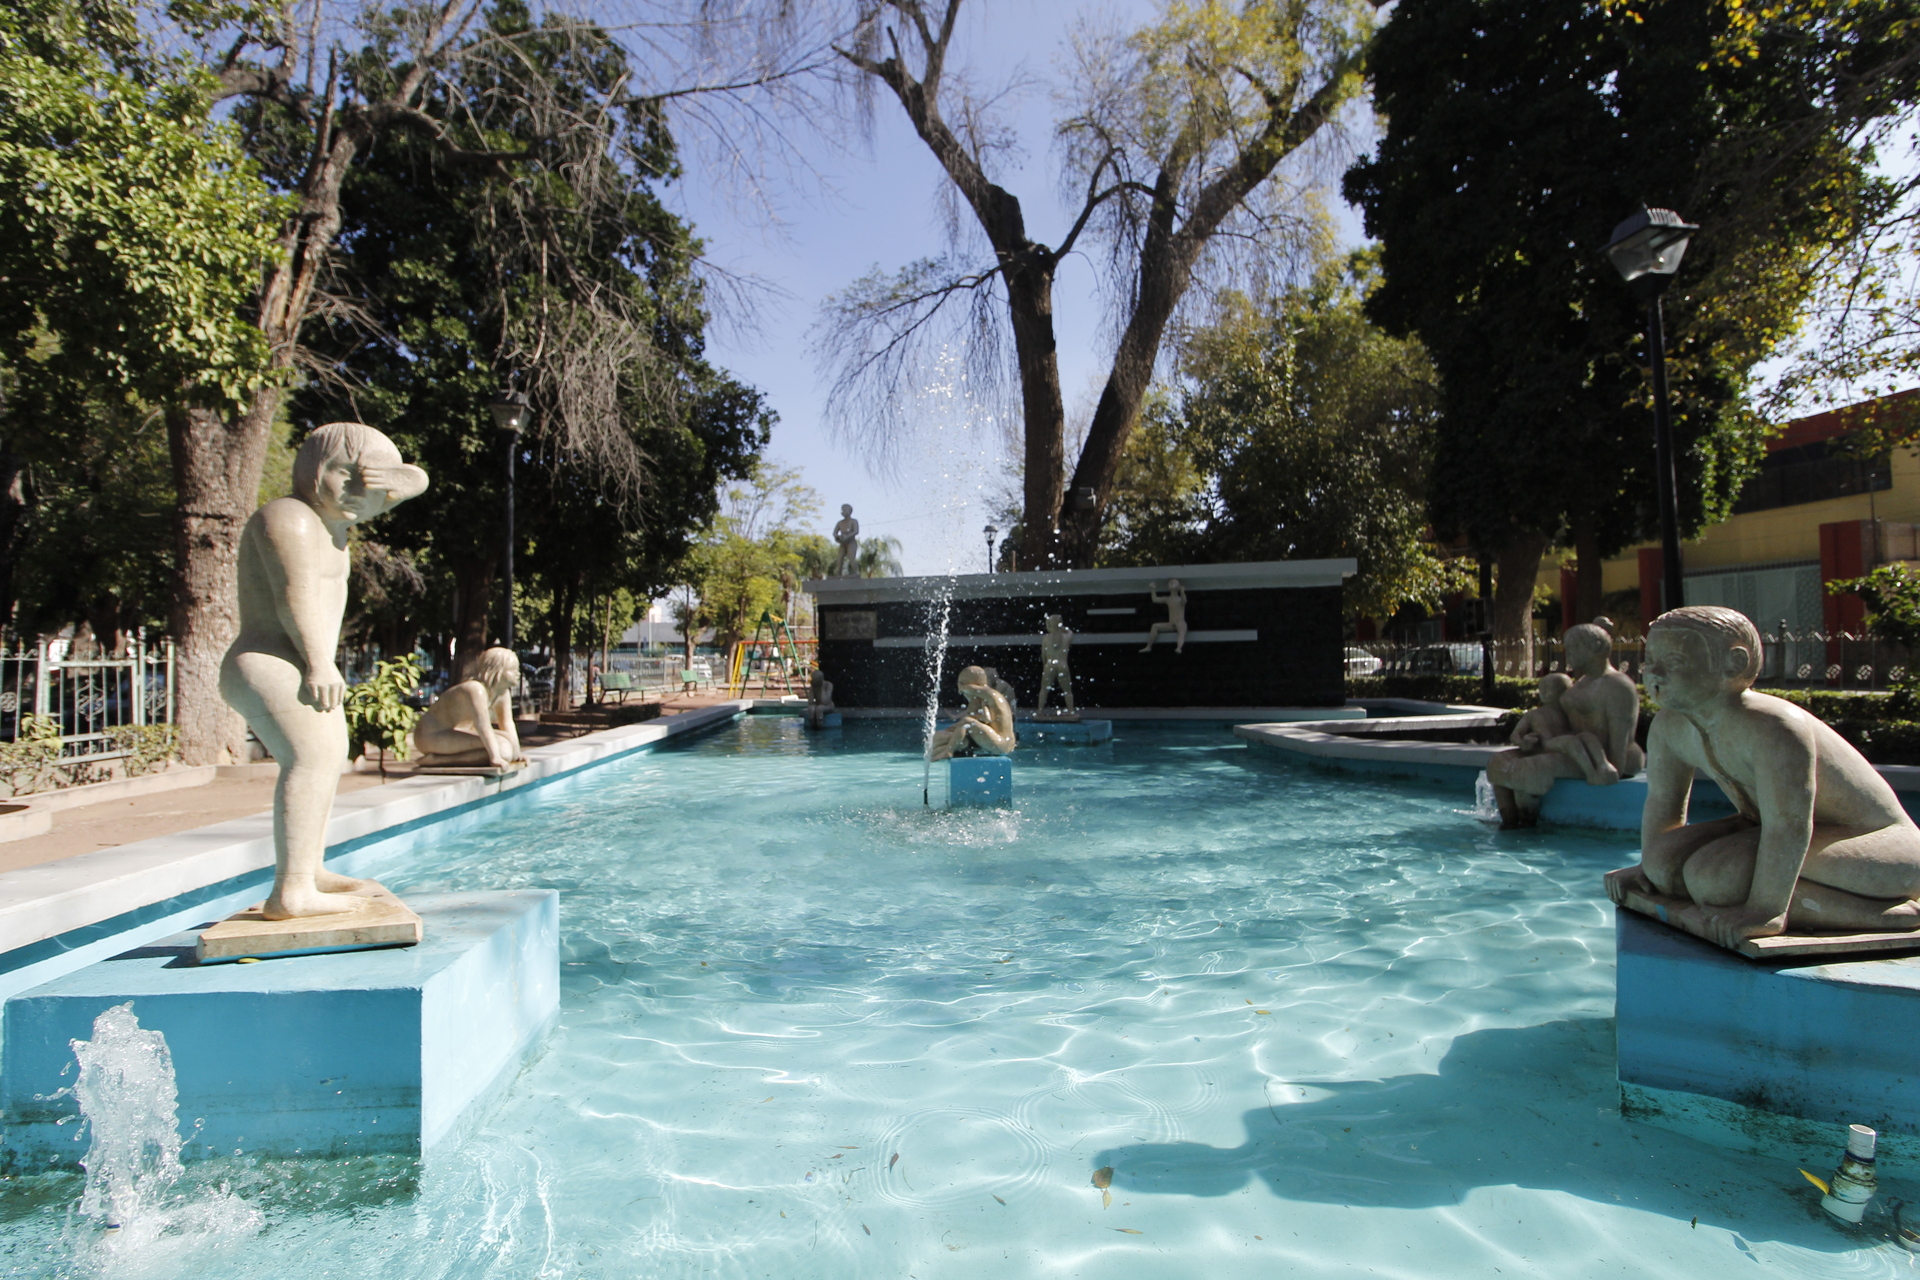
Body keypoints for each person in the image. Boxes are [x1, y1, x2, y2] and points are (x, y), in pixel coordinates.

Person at [1605, 605, 1920, 947]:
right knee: (1663, 863)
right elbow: (1663, 803)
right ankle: (1769, 894)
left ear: (1734, 663)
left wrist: (1766, 909)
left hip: (1882, 845)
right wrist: (1647, 870)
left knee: (1714, 881)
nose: (1654, 673)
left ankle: (1884, 914)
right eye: (1650, 660)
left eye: (1675, 661)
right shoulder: (1670, 725)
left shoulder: (1774, 726)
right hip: (1775, 829)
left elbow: (1789, 825)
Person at [221, 422, 428, 919]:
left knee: (327, 757)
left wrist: (402, 479)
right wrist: (319, 662)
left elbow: (409, 484)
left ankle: (308, 869)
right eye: (344, 474)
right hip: (271, 658)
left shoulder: (333, 528)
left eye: (370, 483)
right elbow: (294, 596)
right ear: (312, 470)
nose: (358, 491)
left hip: (298, 661)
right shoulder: (288, 517)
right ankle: (291, 891)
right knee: (311, 758)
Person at [1486, 618, 1643, 828]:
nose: (1567, 653)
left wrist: (1606, 768)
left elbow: (1619, 740)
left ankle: (1525, 827)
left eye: (1573, 647)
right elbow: (1556, 724)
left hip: (1604, 758)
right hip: (1574, 750)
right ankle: (1508, 823)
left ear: (1595, 646)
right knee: (1499, 761)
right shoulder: (1579, 685)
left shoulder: (1617, 685)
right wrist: (1531, 741)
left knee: (1531, 767)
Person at [414, 647, 523, 768]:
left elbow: (507, 722)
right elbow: (482, 725)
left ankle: (439, 759)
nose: (518, 674)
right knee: (504, 750)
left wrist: (517, 754)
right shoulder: (475, 689)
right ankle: (437, 760)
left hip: (458, 732)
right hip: (430, 736)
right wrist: (495, 757)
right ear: (495, 670)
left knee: (508, 741)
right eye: (512, 670)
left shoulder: (502, 692)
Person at [1510, 672, 1617, 785]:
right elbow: (1515, 734)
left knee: (1587, 736)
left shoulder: (1567, 711)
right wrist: (1523, 742)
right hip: (1549, 742)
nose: (1544, 692)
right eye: (1542, 688)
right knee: (1570, 741)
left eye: (1549, 688)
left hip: (1568, 738)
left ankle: (1604, 764)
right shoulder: (1533, 714)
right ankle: (1591, 773)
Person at [927, 665, 1017, 761]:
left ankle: (949, 751)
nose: (963, 694)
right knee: (953, 737)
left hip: (1002, 744)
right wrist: (950, 729)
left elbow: (985, 718)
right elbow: (981, 718)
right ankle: (940, 752)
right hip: (1003, 743)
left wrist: (962, 687)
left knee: (967, 722)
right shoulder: (985, 699)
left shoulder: (991, 694)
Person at [1037, 613, 1076, 713]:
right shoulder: (1066, 637)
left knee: (1044, 690)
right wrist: (1062, 628)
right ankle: (1071, 711)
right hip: (1062, 665)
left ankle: (1040, 711)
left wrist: (1045, 666)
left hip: (1049, 665)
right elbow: (1070, 632)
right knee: (1067, 691)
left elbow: (1043, 655)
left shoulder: (1046, 638)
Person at [1141, 579, 1188, 653]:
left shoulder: (1179, 599)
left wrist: (1182, 592)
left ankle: (1179, 647)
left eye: (1174, 582)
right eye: (1171, 582)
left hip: (1180, 623)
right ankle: (1148, 646)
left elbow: (1184, 600)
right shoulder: (1168, 599)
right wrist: (1152, 589)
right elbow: (1155, 599)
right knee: (1154, 626)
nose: (1172, 583)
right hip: (1171, 624)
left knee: (1181, 632)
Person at [832, 504, 860, 577]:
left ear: (849, 511)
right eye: (842, 510)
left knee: (851, 558)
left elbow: (856, 531)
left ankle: (855, 573)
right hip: (843, 543)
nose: (843, 512)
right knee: (839, 559)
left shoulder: (853, 521)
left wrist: (847, 536)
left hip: (851, 542)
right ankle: (838, 574)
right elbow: (834, 532)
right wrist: (838, 536)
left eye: (845, 510)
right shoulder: (840, 523)